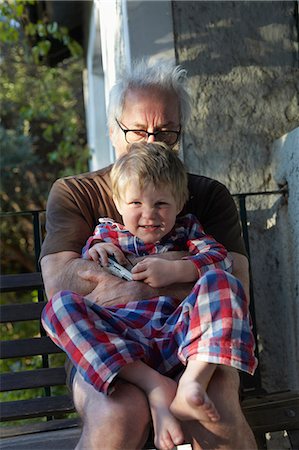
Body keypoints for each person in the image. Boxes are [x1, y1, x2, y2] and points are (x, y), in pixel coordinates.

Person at [40, 59, 257, 449]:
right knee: (118, 411)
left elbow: (233, 279)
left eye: (166, 131)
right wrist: (176, 274)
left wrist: (170, 269)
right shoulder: (77, 193)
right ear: (113, 129)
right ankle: (154, 387)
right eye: (138, 130)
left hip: (186, 336)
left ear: (180, 132)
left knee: (216, 401)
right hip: (112, 341)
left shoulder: (207, 196)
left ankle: (185, 387)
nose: (152, 142)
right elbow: (60, 283)